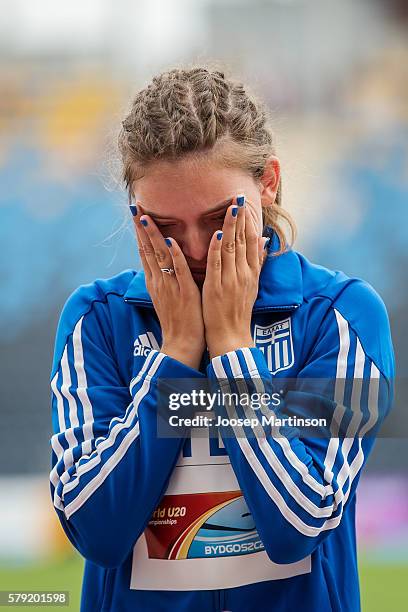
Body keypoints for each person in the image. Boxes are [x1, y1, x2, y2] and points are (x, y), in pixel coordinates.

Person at [49, 66, 395, 612]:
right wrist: (176, 355)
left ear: (269, 182)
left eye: (220, 218)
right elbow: (97, 531)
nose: (196, 250)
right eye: (164, 227)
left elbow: (299, 523)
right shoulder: (97, 319)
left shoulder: (341, 315)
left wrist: (233, 349)